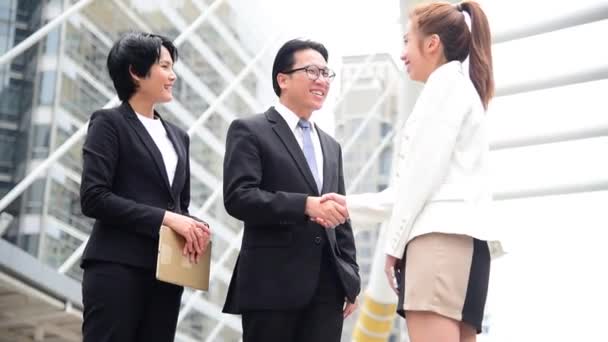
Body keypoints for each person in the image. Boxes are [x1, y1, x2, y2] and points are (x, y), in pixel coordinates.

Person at [320, 2, 500, 341]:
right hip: (467, 249)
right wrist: (347, 206)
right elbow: (419, 184)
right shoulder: (464, 89)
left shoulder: (442, 88)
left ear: (431, 44)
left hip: (438, 246)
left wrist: (394, 247)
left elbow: (418, 181)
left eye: (407, 41)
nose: (403, 53)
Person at [222, 38, 360, 342]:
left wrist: (350, 278)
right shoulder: (249, 130)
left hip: (327, 290)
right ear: (282, 79)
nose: (322, 80)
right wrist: (305, 206)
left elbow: (342, 217)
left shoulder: (331, 146)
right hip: (271, 286)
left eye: (326, 74)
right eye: (312, 71)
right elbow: (238, 197)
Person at [79, 32, 211, 342]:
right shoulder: (108, 123)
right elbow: (94, 197)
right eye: (164, 66)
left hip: (167, 274)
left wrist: (193, 227)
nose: (173, 75)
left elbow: (178, 205)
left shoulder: (180, 137)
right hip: (116, 267)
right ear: (136, 72)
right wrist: (168, 219)